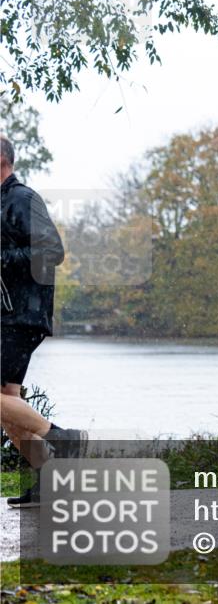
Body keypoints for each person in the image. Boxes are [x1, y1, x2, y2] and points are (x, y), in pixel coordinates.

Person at [1, 134, 87, 508]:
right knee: (7, 406)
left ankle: (62, 437)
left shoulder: (22, 198)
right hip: (8, 314)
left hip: (23, 314)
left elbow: (52, 250)